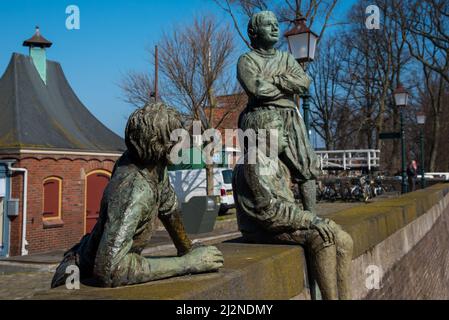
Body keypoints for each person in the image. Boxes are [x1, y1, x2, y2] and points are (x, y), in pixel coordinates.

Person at [51, 103, 223, 288]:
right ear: (163, 146)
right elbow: (109, 269)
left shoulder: (153, 165)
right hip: (78, 273)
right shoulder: (134, 191)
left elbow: (168, 207)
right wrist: (188, 264)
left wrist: (186, 249)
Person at [233, 110, 353, 300]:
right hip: (261, 229)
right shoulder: (253, 163)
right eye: (280, 129)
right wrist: (309, 219)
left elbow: (287, 205)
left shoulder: (277, 164)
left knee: (344, 240)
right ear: (263, 134)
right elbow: (268, 211)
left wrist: (311, 219)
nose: (286, 133)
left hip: (278, 222)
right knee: (323, 238)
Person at [237, 10, 320, 214]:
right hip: (263, 118)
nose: (275, 28)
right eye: (268, 25)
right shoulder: (246, 61)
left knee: (305, 167)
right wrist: (286, 84)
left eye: (276, 24)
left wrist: (275, 80)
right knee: (266, 167)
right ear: (253, 32)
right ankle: (268, 214)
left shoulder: (287, 58)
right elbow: (257, 89)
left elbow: (304, 83)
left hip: (290, 117)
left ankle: (312, 217)